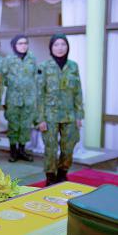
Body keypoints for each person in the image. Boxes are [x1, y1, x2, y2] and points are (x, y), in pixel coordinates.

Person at [36, 34, 84, 186]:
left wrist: (79, 115)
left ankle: (63, 173)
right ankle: (50, 176)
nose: (60, 48)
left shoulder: (73, 66)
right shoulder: (44, 66)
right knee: (50, 148)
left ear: (67, 47)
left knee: (68, 147)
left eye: (63, 44)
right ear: (51, 48)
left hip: (69, 115)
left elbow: (78, 92)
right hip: (49, 115)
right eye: (56, 45)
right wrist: (40, 118)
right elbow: (39, 94)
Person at [3, 34, 36, 162]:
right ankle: (13, 152)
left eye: (25, 43)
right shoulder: (8, 59)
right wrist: (13, 84)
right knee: (13, 125)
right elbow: (2, 77)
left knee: (25, 126)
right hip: (13, 99)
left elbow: (35, 76)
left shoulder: (32, 58)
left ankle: (22, 151)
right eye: (20, 43)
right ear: (14, 45)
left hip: (28, 99)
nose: (23, 46)